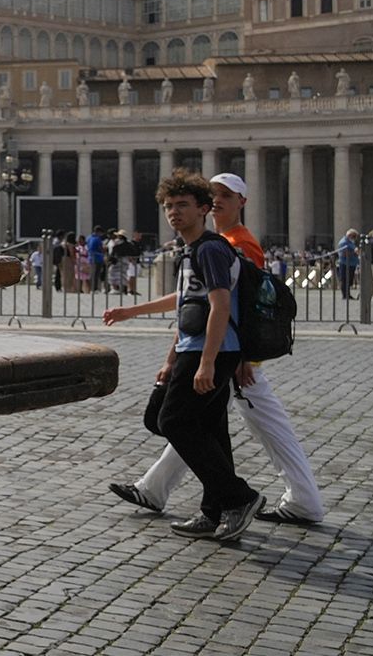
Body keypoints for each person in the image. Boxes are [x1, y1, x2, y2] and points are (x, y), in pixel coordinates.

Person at [104, 172, 324, 525]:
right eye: (215, 193)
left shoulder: (232, 244)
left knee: (215, 424)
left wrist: (245, 359)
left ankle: (293, 499)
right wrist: (139, 318)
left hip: (231, 354)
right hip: (219, 349)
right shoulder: (208, 244)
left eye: (225, 195)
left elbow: (237, 304)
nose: (219, 199)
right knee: (206, 426)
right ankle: (189, 499)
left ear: (239, 202)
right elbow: (192, 301)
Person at [118, 169, 262, 541]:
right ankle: (214, 512)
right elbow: (185, 304)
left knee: (172, 421)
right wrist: (132, 314)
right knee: (212, 430)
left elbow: (219, 306)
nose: (174, 213)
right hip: (194, 348)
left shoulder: (211, 249)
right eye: (169, 206)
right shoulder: (191, 251)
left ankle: (239, 497)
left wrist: (208, 362)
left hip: (208, 350)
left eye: (182, 205)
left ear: (203, 209)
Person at [336, 229, 359, 300]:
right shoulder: (344, 242)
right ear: (350, 235)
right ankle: (345, 295)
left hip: (351, 263)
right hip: (346, 263)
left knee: (348, 280)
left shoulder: (349, 242)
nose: (355, 238)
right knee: (345, 279)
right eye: (354, 236)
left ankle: (347, 294)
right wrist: (354, 253)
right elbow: (345, 253)